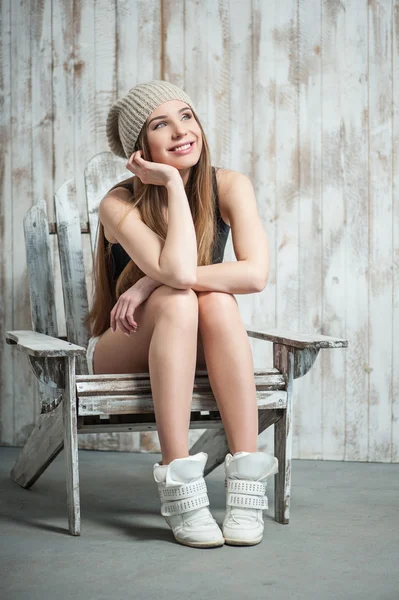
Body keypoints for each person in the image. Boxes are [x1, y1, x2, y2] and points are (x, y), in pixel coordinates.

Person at [85, 80, 278, 549]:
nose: (180, 131)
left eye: (186, 116)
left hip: (194, 344)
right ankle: (180, 487)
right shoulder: (118, 202)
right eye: (160, 124)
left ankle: (245, 483)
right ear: (141, 148)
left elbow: (254, 275)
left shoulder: (229, 185)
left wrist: (149, 281)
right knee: (177, 300)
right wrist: (171, 183)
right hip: (122, 344)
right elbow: (176, 271)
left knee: (214, 300)